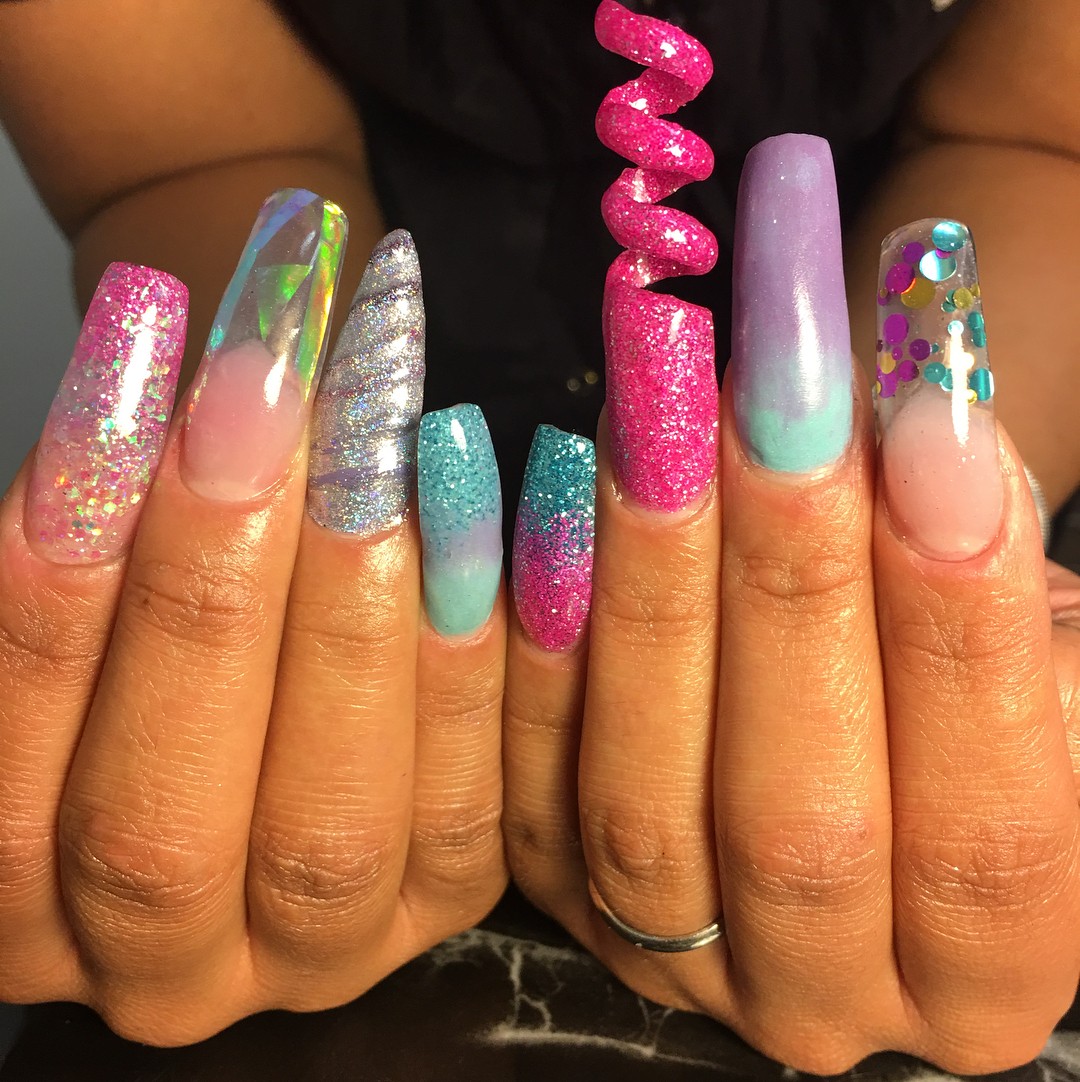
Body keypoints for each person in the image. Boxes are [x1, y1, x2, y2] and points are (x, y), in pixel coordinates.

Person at [1, 0, 1080, 1073]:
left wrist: (930, 518)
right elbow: (189, 153)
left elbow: (1035, 139)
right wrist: (262, 504)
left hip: (886, 430)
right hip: (391, 550)